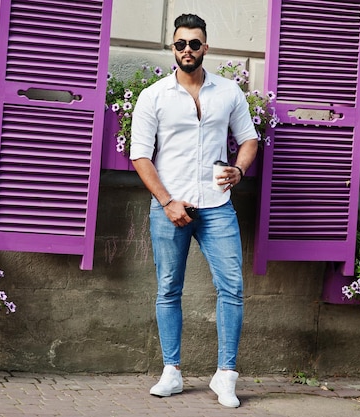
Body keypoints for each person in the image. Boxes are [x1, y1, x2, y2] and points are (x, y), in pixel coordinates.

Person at [129, 13, 258, 408]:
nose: (188, 49)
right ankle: (172, 372)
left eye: (195, 43)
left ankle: (226, 376)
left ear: (206, 47)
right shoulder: (153, 96)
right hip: (171, 205)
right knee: (169, 289)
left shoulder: (229, 92)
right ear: (173, 48)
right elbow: (140, 156)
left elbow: (249, 139)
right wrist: (167, 202)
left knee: (232, 288)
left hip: (217, 205)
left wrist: (239, 168)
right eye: (181, 43)